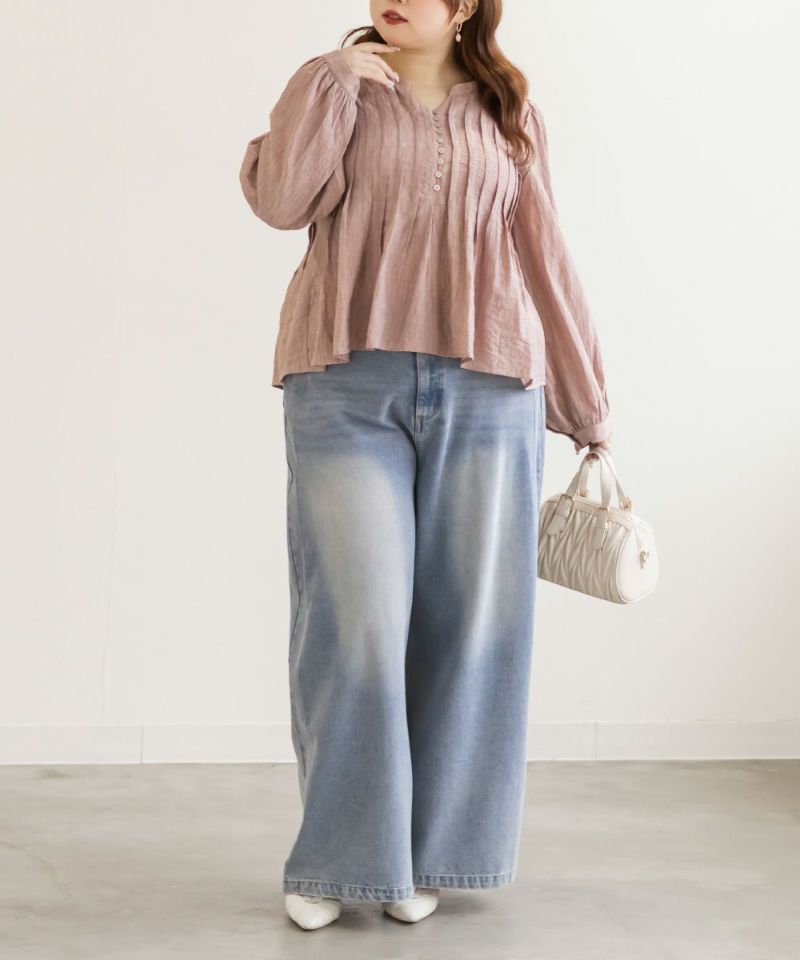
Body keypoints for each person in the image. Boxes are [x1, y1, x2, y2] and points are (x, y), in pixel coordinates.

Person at [239, 0, 613, 931]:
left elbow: (545, 253)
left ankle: (428, 855)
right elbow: (279, 201)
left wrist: (586, 407)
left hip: (490, 386)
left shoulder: (508, 110)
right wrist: (326, 80)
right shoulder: (338, 90)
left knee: (471, 627)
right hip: (343, 381)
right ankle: (341, 860)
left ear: (465, 9)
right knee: (353, 624)